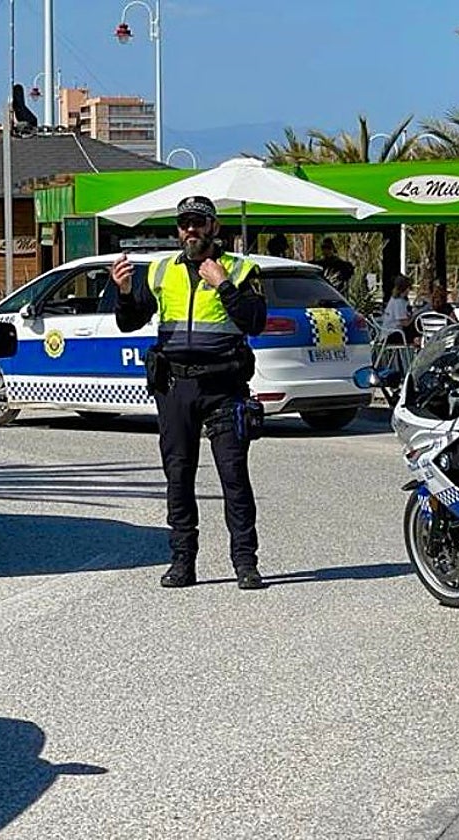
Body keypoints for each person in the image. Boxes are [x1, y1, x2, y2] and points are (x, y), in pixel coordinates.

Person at [111, 195, 268, 591]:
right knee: (178, 476)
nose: (190, 230)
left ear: (214, 227)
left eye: (198, 222)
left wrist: (225, 286)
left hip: (224, 387)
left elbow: (255, 322)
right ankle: (182, 562)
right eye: (184, 224)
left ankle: (245, 563)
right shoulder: (162, 270)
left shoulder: (241, 269)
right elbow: (130, 322)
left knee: (233, 475)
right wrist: (126, 291)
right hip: (176, 387)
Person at [380, 275, 414, 343]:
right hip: (392, 334)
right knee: (416, 334)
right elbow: (405, 323)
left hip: (391, 332)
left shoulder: (398, 300)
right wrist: (415, 314)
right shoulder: (398, 302)